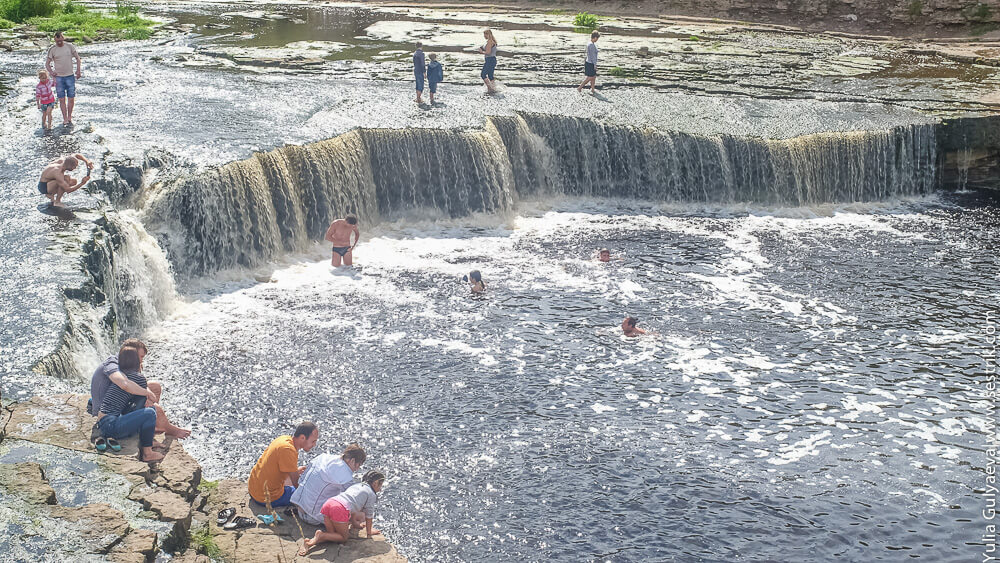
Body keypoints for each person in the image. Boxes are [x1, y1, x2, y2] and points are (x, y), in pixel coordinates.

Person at [89, 339, 191, 440]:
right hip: (107, 410)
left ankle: (149, 425)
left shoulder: (126, 363)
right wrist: (147, 394)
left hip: (119, 402)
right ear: (131, 354)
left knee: (155, 387)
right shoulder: (112, 364)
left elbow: (136, 383)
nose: (142, 360)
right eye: (141, 356)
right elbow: (125, 384)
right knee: (155, 409)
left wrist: (148, 393)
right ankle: (170, 430)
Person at [97, 348, 164, 463]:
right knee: (150, 412)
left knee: (149, 409)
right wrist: (149, 393)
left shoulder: (122, 376)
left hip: (105, 422)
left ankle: (148, 441)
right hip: (111, 426)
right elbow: (146, 403)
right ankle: (147, 453)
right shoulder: (138, 378)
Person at [298, 470, 385, 556]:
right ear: (375, 483)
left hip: (329, 503)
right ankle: (321, 535)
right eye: (380, 486)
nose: (380, 489)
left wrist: (355, 524)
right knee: (343, 538)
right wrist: (369, 533)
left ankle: (310, 542)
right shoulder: (371, 494)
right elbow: (369, 516)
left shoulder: (357, 486)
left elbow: (353, 507)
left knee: (333, 536)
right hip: (339, 509)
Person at [291, 444, 367, 526]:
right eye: (358, 465)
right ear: (352, 461)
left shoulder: (323, 457)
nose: (357, 469)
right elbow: (353, 499)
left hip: (300, 508)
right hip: (313, 518)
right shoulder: (345, 475)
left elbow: (301, 479)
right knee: (357, 510)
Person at [248, 422, 320, 507]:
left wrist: (296, 471)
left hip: (253, 490)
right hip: (266, 498)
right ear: (302, 438)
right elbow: (296, 483)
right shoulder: (288, 450)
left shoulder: (283, 439)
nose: (314, 445)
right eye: (313, 441)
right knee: (308, 495)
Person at [45, 31, 82, 126]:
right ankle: (64, 118)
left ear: (63, 38)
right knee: (61, 99)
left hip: (70, 76)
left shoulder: (70, 46)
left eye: (61, 40)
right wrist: (51, 73)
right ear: (55, 40)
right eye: (58, 41)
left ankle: (69, 116)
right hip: (59, 77)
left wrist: (78, 71)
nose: (59, 42)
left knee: (71, 98)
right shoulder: (52, 49)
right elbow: (47, 64)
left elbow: (78, 58)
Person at [477, 29, 498, 93]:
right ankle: (494, 88)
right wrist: (481, 48)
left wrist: (481, 52)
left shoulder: (489, 42)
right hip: (492, 59)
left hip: (490, 60)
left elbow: (488, 52)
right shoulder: (491, 41)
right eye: (484, 34)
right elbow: (486, 48)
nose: (484, 36)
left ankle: (490, 88)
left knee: (483, 74)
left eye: (485, 34)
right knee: (490, 75)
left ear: (489, 35)